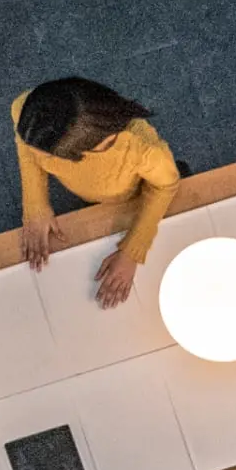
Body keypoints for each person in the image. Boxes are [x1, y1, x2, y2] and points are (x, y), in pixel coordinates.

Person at [13, 77, 183, 309]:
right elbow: (27, 149)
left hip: (130, 197)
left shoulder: (142, 151)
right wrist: (36, 205)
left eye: (48, 156)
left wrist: (132, 251)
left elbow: (165, 186)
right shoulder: (29, 111)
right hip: (93, 192)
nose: (39, 160)